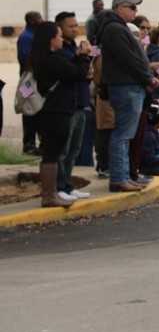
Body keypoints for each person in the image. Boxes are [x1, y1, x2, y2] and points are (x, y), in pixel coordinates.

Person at [96, 0, 158, 192]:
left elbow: (136, 59)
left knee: (125, 135)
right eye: (132, 7)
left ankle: (124, 176)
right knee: (122, 135)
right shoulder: (115, 29)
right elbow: (130, 60)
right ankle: (119, 178)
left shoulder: (118, 28)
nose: (135, 11)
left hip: (130, 86)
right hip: (125, 87)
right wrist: (147, 78)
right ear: (119, 8)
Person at [27, 21, 93, 207]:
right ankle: (50, 195)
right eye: (58, 36)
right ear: (50, 39)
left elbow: (68, 72)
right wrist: (82, 58)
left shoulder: (40, 59)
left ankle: (55, 192)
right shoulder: (52, 60)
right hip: (56, 113)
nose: (61, 40)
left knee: (53, 153)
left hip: (48, 113)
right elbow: (75, 74)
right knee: (53, 155)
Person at [53, 12, 93, 201]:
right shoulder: (60, 51)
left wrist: (88, 70)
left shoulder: (74, 48)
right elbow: (71, 73)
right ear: (59, 28)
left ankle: (67, 185)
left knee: (74, 150)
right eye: (71, 26)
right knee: (62, 149)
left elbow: (81, 74)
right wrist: (82, 59)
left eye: (77, 25)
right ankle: (58, 186)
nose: (75, 29)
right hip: (66, 107)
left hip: (81, 104)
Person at [17, 10, 44, 154]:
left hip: (37, 80)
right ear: (31, 21)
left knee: (39, 109)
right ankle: (28, 144)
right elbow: (26, 59)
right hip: (27, 81)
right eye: (38, 17)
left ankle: (39, 143)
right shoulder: (26, 37)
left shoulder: (36, 35)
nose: (42, 19)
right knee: (28, 110)